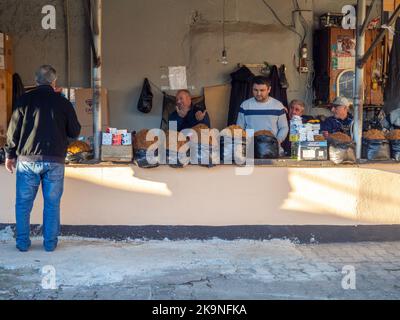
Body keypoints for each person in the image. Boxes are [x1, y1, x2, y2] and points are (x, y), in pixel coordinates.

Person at [4, 65, 81, 252]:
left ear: (36, 80)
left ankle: (22, 243)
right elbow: (75, 131)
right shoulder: (62, 103)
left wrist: (9, 155)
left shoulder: (24, 100)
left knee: (23, 204)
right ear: (54, 82)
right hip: (55, 160)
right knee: (52, 204)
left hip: (28, 161)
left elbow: (12, 131)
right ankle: (50, 244)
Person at [237, 76, 289, 145]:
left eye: (262, 90)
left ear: (269, 89)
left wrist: (277, 141)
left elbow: (284, 127)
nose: (258, 93)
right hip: (250, 146)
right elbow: (239, 128)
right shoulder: (245, 105)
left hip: (271, 146)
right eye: (255, 90)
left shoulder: (278, 106)